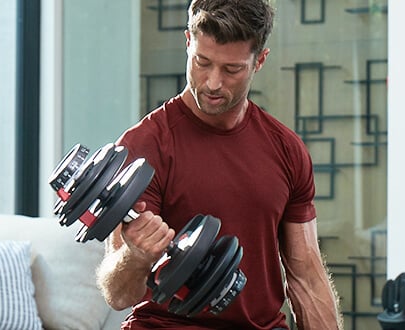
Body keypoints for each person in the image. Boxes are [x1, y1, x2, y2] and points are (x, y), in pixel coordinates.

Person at [95, 0, 342, 329]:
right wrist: (136, 255)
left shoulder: (286, 149)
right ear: (188, 43)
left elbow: (307, 279)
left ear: (259, 62)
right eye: (202, 62)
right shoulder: (145, 146)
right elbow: (118, 295)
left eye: (232, 69)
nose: (212, 83)